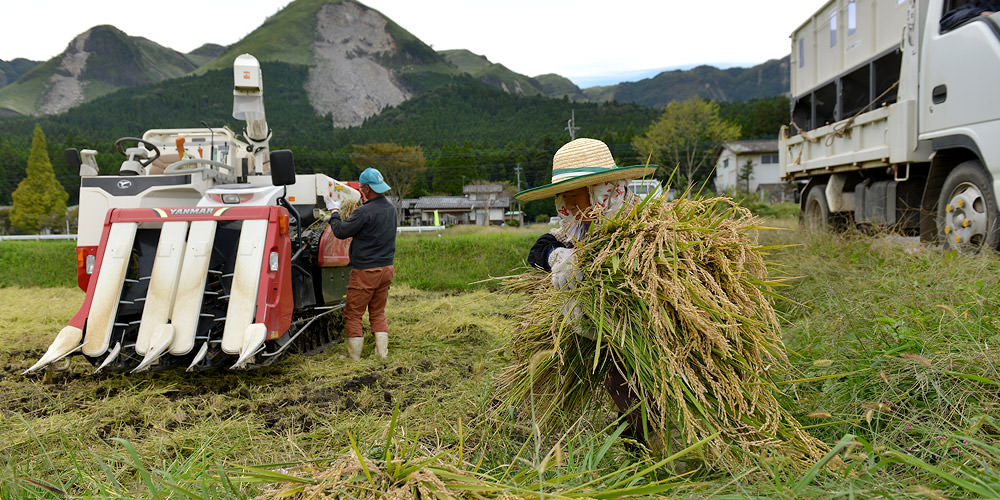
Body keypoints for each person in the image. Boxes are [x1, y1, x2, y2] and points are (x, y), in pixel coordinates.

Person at [515, 137, 658, 444]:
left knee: (637, 386)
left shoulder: (641, 224)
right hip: (606, 334)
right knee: (622, 386)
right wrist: (558, 256)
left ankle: (658, 449)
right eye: (564, 199)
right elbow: (537, 251)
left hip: (643, 332)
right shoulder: (577, 229)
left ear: (601, 190)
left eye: (576, 197)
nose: (571, 207)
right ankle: (641, 448)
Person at [328, 167, 397, 361]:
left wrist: (334, 211)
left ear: (366, 189)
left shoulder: (364, 212)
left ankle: (354, 358)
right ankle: (382, 354)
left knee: (353, 314)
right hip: (386, 269)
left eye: (362, 188)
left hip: (366, 271)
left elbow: (341, 231)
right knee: (378, 312)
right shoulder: (390, 209)